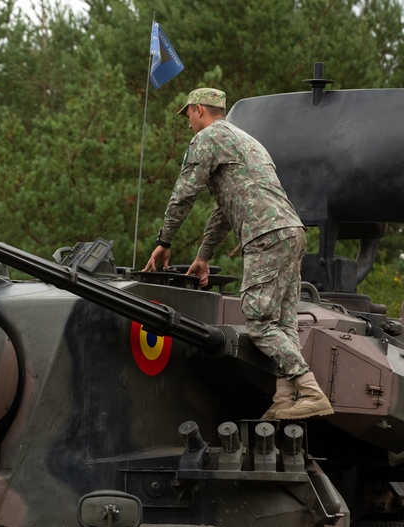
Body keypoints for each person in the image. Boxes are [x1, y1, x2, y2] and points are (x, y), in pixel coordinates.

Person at [143, 88, 333, 421]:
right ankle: (286, 396)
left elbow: (183, 194)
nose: (188, 124)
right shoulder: (249, 142)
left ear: (199, 110)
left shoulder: (208, 139)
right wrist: (203, 255)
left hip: (265, 236)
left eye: (188, 116)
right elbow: (224, 210)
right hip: (291, 232)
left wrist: (165, 240)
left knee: (259, 323)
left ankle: (311, 391)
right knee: (283, 322)